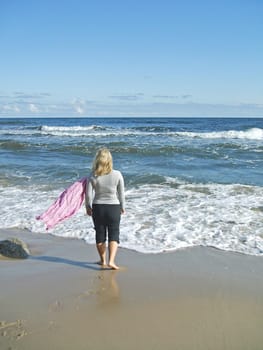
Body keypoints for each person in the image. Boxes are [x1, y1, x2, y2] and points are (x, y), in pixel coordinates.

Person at [85, 148, 125, 270]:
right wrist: (122, 206)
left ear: (97, 160)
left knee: (100, 234)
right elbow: (121, 193)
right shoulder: (117, 174)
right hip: (114, 207)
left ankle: (103, 260)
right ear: (110, 160)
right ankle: (111, 261)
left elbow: (88, 195)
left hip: (98, 207)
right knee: (114, 234)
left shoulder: (93, 175)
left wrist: (88, 206)